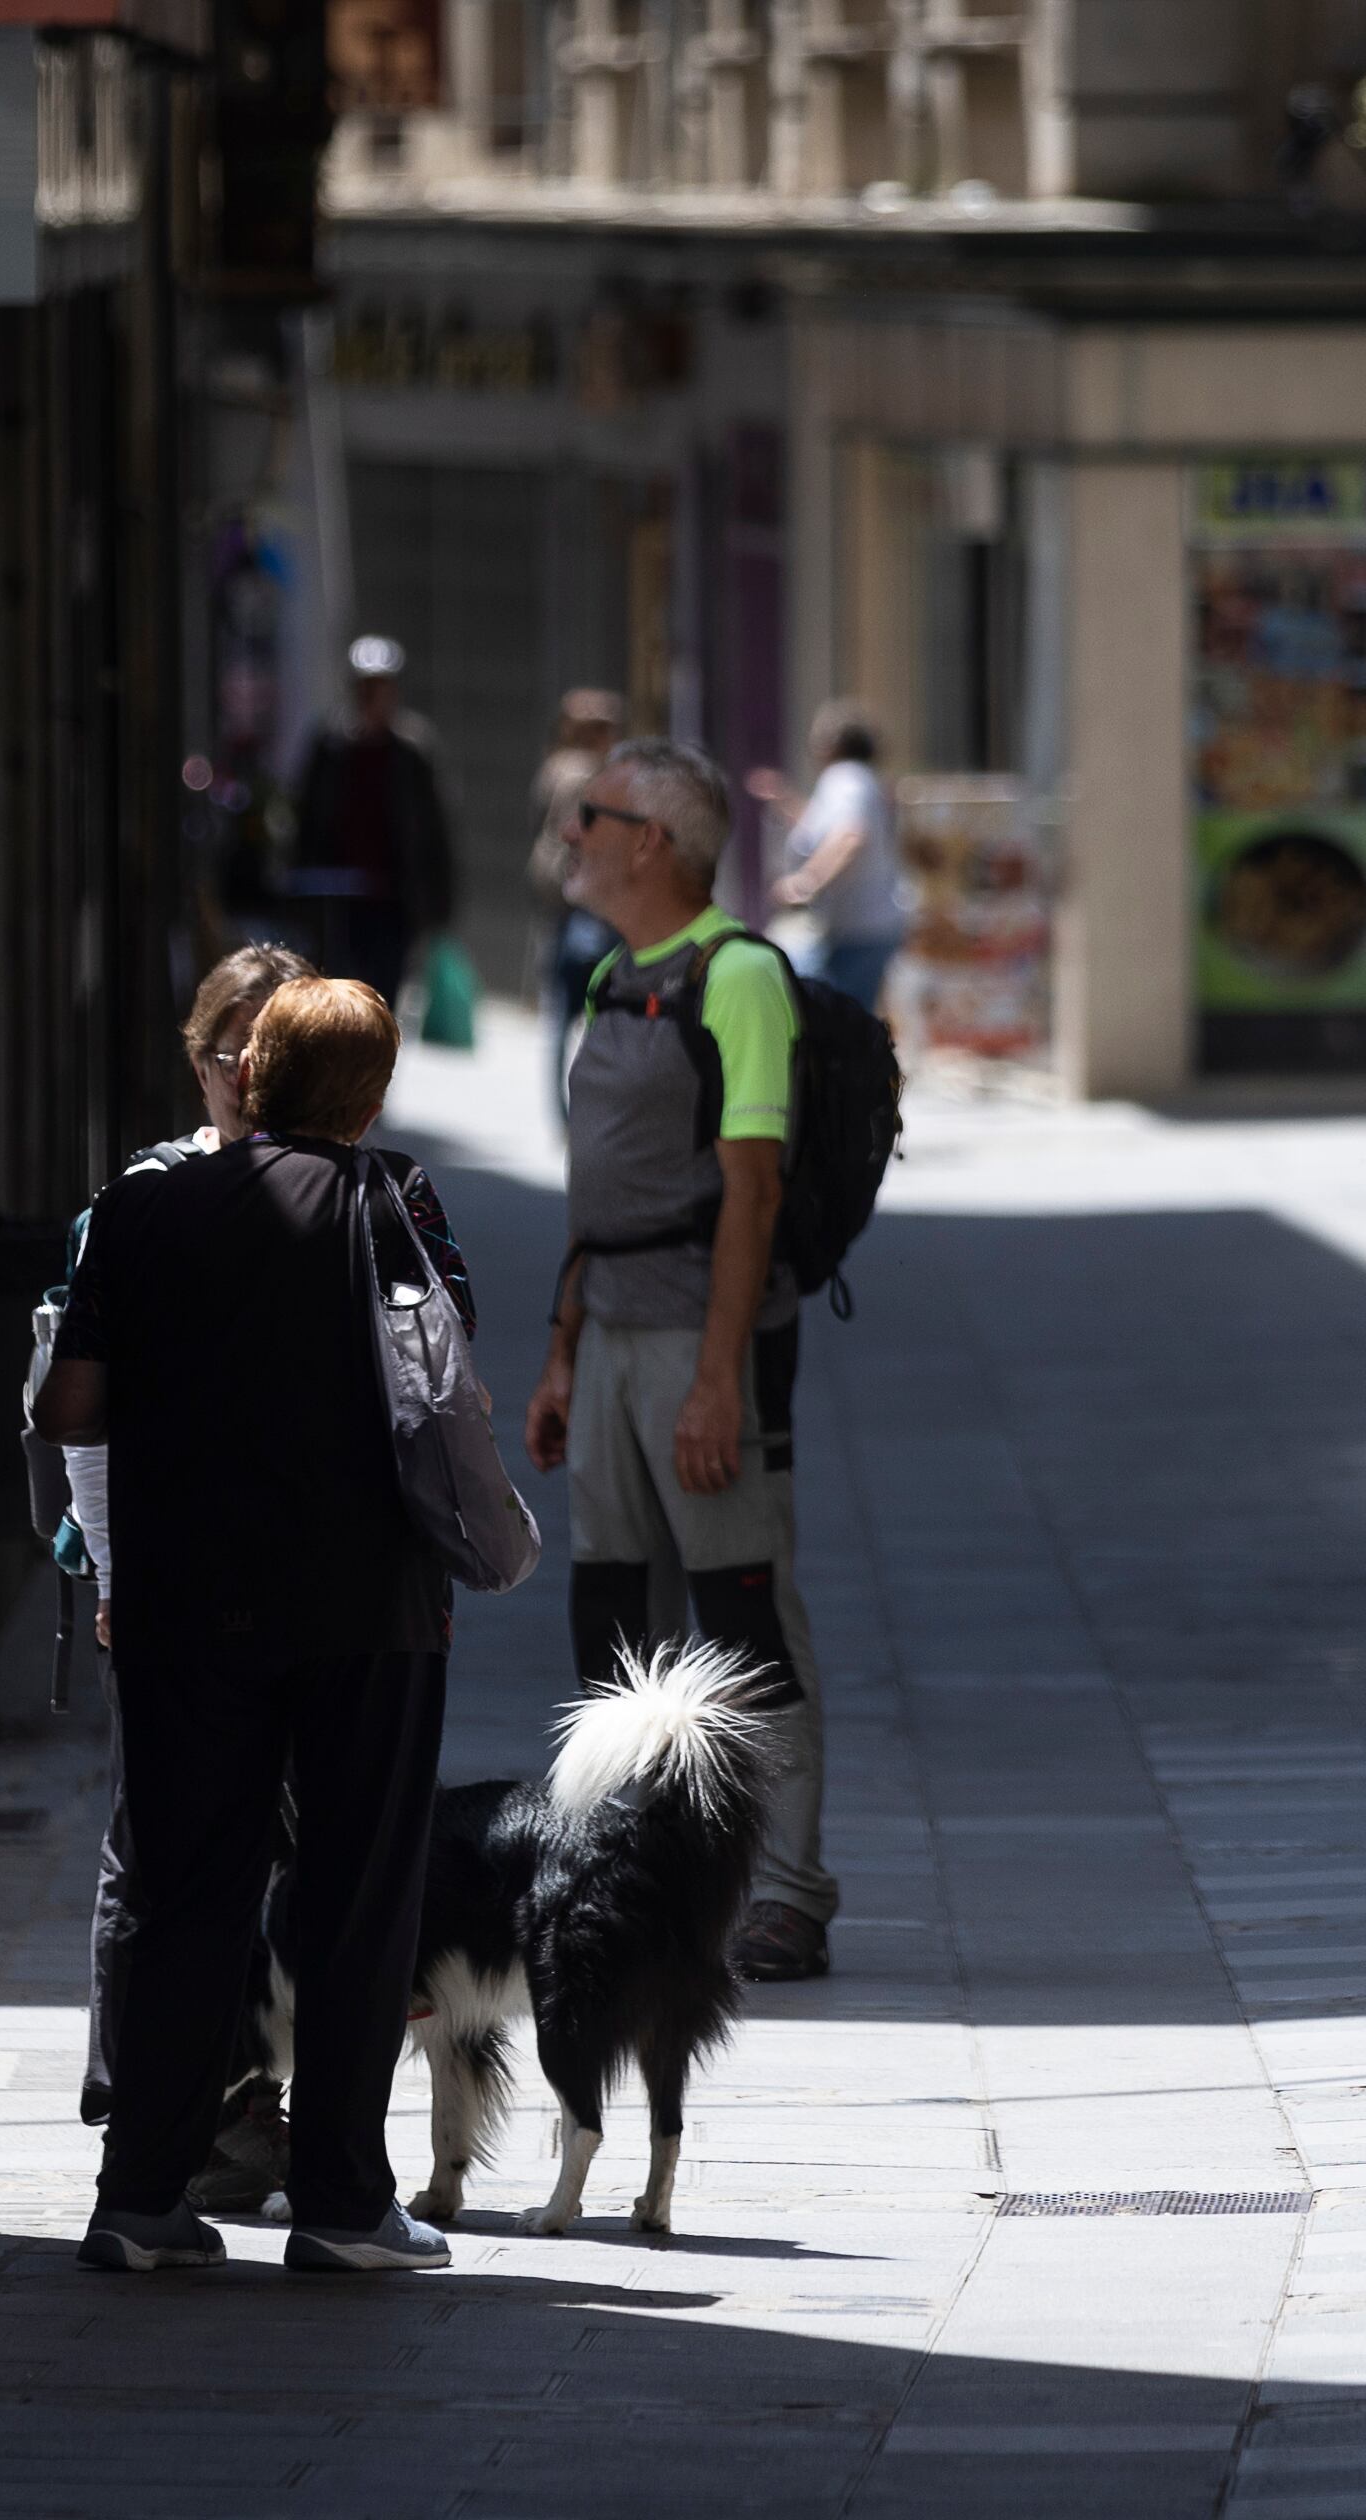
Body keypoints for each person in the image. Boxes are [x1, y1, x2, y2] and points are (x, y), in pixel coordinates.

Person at [34, 977, 465, 2274]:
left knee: (184, 1892)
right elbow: (442, 1380)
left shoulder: (141, 1207)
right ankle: (340, 2206)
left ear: (250, 1071)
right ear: (372, 1094)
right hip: (366, 1606)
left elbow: (70, 1408)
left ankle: (142, 2200)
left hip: (181, 1605)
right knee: (356, 1894)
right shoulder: (394, 1203)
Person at [524, 737, 840, 1982]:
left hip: (702, 1347)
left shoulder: (740, 976)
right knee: (612, 1612)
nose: (572, 831)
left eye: (591, 814)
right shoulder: (611, 976)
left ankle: (789, 1890)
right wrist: (560, 1357)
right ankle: (637, 1867)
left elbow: (751, 1191)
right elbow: (595, 1194)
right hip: (606, 1337)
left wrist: (718, 1378)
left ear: (653, 841)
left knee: (743, 1620)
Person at [61, 945, 314, 2203]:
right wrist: (116, 1569)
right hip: (169, 1581)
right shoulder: (145, 1196)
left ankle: (242, 2101)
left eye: (271, 1055)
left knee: (281, 1848)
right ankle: (160, 2111)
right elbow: (80, 1420)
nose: (244, 1078)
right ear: (198, 1056)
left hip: (300, 1587)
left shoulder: (341, 1193)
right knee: (156, 1854)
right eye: (226, 1053)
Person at [289, 635, 456, 1004]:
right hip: (337, 902)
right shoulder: (329, 745)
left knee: (382, 998)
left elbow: (433, 828)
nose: (373, 698)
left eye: (380, 688)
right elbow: (306, 817)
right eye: (365, 688)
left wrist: (438, 905)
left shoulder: (412, 752)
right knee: (336, 999)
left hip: (392, 902)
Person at [744, 698, 907, 1015]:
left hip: (862, 927)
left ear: (832, 742)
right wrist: (786, 799)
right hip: (861, 926)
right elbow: (823, 827)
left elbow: (849, 836)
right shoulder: (855, 781)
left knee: (842, 1023)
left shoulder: (845, 780)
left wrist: (806, 883)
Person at [527, 688, 626, 1124]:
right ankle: (574, 1111)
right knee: (585, 1006)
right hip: (584, 904)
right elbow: (578, 838)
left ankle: (563, 1111)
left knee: (561, 1011)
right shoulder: (584, 775)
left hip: (559, 901)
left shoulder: (554, 766)